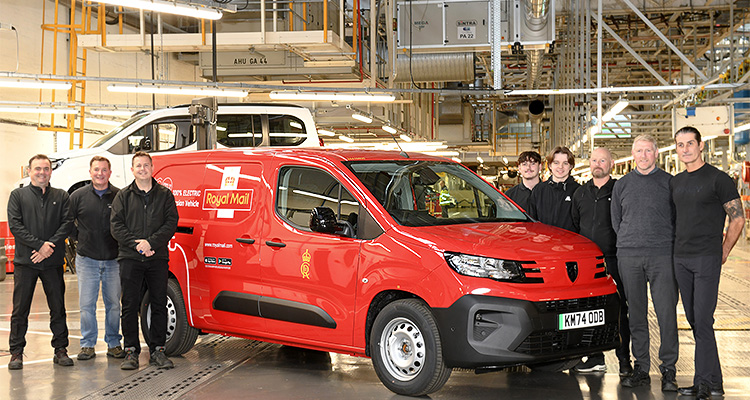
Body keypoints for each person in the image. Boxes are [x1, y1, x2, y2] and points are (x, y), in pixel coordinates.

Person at [671, 126, 744, 400]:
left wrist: (724, 250)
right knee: (694, 320)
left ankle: (701, 383)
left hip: (706, 259)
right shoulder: (676, 181)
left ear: (700, 146)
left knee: (702, 320)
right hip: (681, 258)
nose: (685, 148)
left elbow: (738, 218)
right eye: (680, 144)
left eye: (690, 143)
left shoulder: (719, 178)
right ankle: (716, 383)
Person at [611, 134, 678, 391]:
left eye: (648, 151)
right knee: (636, 314)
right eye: (639, 151)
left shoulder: (669, 183)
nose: (643, 155)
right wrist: (631, 240)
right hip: (629, 255)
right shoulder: (622, 185)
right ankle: (641, 367)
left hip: (662, 254)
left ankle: (669, 369)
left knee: (666, 314)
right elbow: (617, 220)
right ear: (633, 153)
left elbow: (676, 218)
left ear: (656, 153)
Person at [111, 151, 178, 370]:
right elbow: (116, 227)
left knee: (159, 303)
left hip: (156, 258)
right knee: (129, 305)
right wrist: (137, 245)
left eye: (146, 165)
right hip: (130, 258)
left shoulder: (165, 195)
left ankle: (158, 350)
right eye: (138, 165)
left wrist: (150, 243)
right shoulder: (123, 196)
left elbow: (171, 223)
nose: (142, 169)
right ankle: (131, 351)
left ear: (152, 167)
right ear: (132, 170)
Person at [7, 154, 75, 369]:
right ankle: (16, 352)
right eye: (37, 169)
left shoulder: (62, 196)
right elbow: (16, 226)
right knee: (20, 309)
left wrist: (49, 247)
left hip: (53, 262)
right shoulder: (18, 196)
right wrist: (39, 246)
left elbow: (67, 224)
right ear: (29, 171)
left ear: (50, 172)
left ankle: (61, 349)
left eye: (46, 168)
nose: (42, 172)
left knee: (58, 307)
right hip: (26, 262)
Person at [571, 147, 631, 375]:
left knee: (619, 311)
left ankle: (624, 361)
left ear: (611, 164)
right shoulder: (580, 193)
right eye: (594, 160)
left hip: (615, 260)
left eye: (603, 160)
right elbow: (576, 225)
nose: (598, 164)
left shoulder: (619, 189)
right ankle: (596, 358)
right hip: (589, 264)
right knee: (590, 311)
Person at [69, 156, 125, 361]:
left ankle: (113, 343)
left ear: (110, 172)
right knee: (86, 305)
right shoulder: (78, 196)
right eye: (96, 170)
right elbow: (67, 221)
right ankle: (87, 345)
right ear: (90, 172)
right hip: (87, 260)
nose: (100, 173)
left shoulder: (120, 196)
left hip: (113, 260)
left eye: (104, 170)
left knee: (113, 305)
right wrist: (79, 238)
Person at [528, 146, 580, 231]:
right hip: (545, 242)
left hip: (569, 243)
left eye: (565, 163)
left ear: (571, 166)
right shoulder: (539, 190)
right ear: (550, 165)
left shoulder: (578, 191)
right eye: (556, 163)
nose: (560, 167)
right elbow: (532, 221)